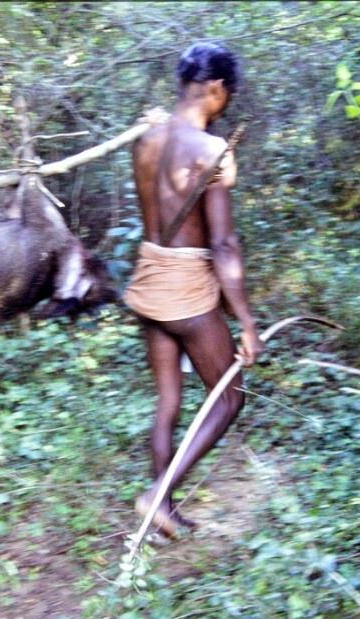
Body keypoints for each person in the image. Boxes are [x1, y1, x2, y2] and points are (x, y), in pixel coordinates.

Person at [124, 42, 263, 537]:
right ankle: (157, 496)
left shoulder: (146, 139)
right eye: (229, 94)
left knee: (169, 402)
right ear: (216, 88)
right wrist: (246, 321)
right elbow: (223, 244)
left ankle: (162, 509)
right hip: (184, 291)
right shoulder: (209, 151)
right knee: (228, 399)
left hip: (148, 278)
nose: (228, 103)